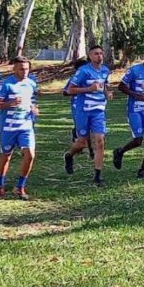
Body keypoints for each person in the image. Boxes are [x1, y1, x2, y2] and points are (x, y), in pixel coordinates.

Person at [63, 46, 113, 187]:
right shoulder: (83, 71)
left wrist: (107, 93)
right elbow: (70, 89)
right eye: (96, 54)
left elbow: (104, 86)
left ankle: (98, 176)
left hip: (98, 111)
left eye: (101, 53)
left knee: (100, 141)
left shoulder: (105, 70)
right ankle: (69, 156)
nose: (99, 56)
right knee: (81, 143)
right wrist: (88, 89)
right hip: (83, 110)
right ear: (90, 56)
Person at [0, 56, 39, 200]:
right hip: (8, 127)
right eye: (21, 69)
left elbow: (31, 101)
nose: (24, 71)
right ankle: (0, 184)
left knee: (30, 155)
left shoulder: (32, 83)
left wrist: (34, 109)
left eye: (26, 68)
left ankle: (20, 187)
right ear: (14, 69)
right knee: (6, 156)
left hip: (25, 126)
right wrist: (10, 103)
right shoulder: (7, 85)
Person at [112, 49, 144, 178]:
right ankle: (120, 152)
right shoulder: (134, 70)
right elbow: (121, 86)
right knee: (138, 140)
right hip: (135, 109)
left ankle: (143, 169)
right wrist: (135, 94)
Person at [63, 58, 93, 160]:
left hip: (89, 104)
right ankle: (80, 141)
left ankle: (91, 150)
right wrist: (77, 91)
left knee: (88, 127)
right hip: (77, 105)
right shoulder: (74, 78)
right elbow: (65, 91)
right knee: (84, 127)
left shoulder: (91, 77)